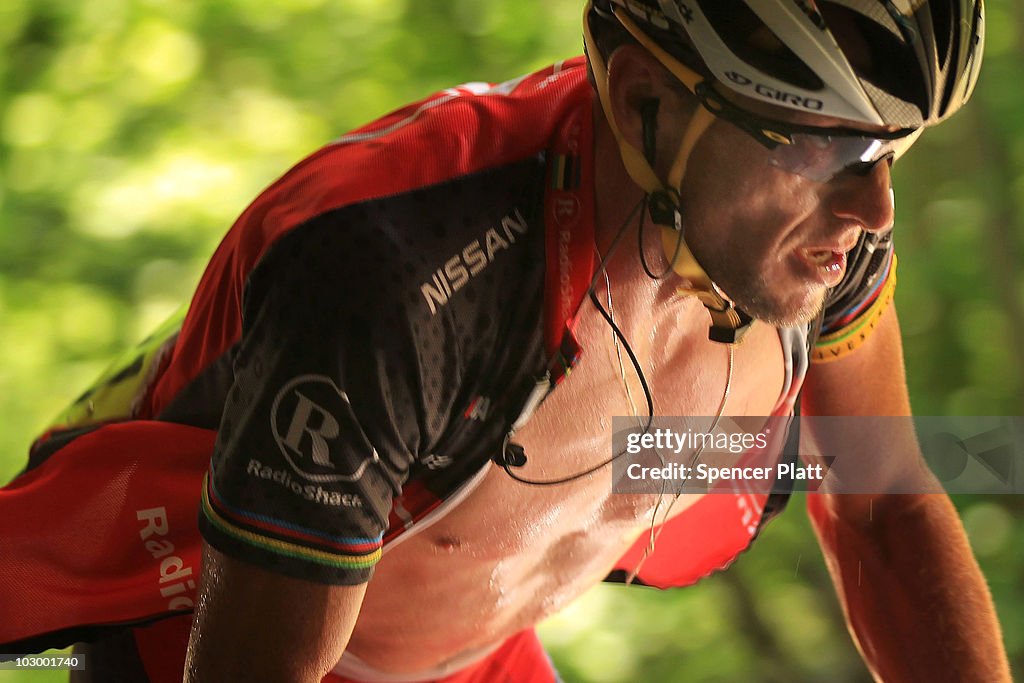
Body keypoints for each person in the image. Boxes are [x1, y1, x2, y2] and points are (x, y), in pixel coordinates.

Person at [0, 0, 1011, 681]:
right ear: (645, 104)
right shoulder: (399, 275)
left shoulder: (817, 249)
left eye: (891, 147)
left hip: (467, 653)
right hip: (169, 627)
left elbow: (879, 505)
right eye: (830, 143)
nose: (875, 206)